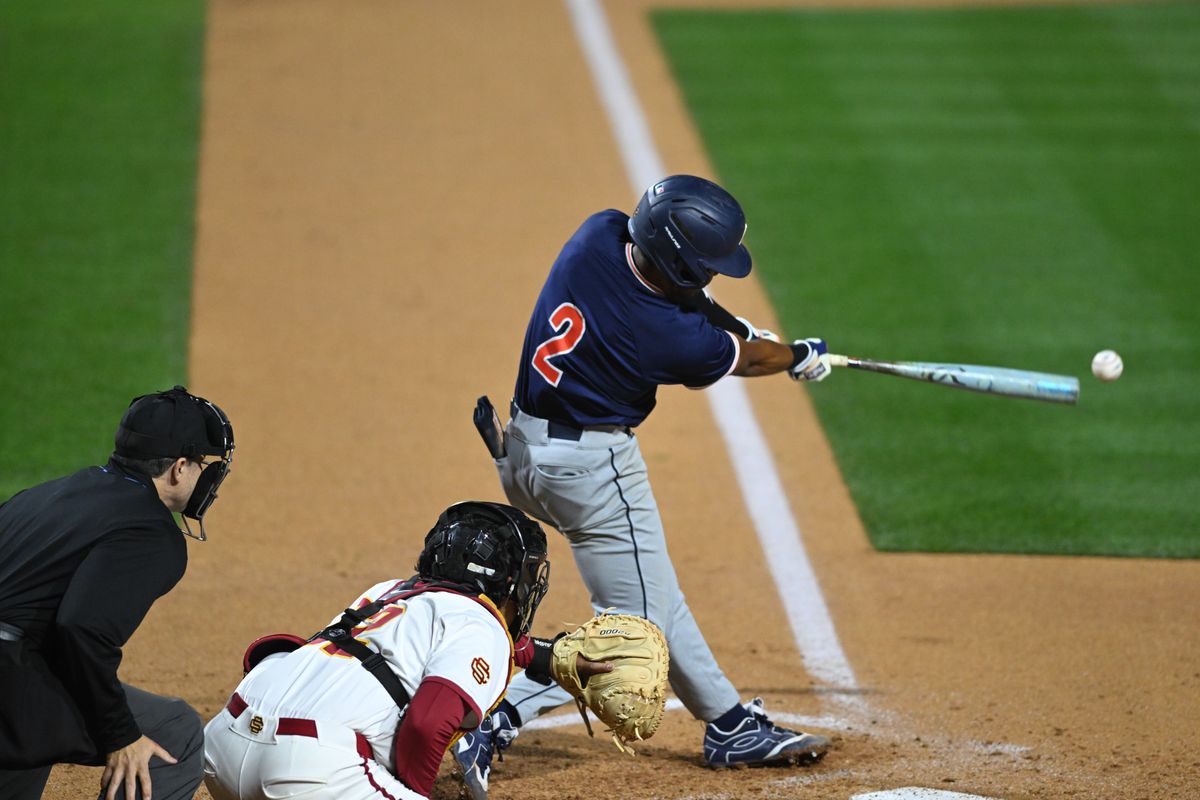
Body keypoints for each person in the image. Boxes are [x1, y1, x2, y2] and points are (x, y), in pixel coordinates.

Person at [455, 175, 832, 797]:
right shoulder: (666, 336)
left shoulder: (600, 232)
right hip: (589, 476)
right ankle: (496, 714)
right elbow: (737, 354)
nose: (713, 276)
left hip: (520, 451)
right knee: (634, 635)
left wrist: (738, 325)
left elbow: (701, 309)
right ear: (682, 263)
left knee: (654, 591)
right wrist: (796, 356)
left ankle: (730, 726)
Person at [202, 500, 610, 800]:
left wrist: (547, 656)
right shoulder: (480, 625)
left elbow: (455, 644)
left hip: (223, 747)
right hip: (306, 773)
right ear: (506, 582)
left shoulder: (386, 592)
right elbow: (427, 723)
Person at [0, 385, 236, 800]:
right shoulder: (152, 533)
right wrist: (120, 734)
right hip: (11, 690)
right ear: (180, 468)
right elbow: (82, 630)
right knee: (173, 729)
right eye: (201, 462)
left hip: (16, 683)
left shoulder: (50, 494)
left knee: (44, 687)